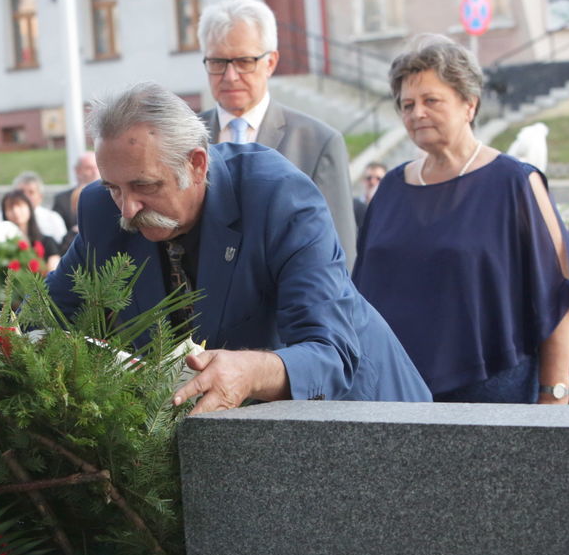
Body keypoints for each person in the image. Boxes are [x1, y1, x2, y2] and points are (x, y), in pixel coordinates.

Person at [46, 81, 430, 412]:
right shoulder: (102, 208)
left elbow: (330, 353)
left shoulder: (279, 197)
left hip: (366, 414)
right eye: (114, 187)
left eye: (146, 186)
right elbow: (45, 316)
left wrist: (249, 372)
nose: (127, 209)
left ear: (197, 164)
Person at [353, 34, 569, 404]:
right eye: (407, 104)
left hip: (491, 396)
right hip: (394, 394)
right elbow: (361, 299)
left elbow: (556, 296)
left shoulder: (514, 182)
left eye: (431, 100)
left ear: (469, 105)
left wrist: (553, 399)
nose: (417, 114)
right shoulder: (390, 190)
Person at [196, 0, 356, 267]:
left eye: (245, 61)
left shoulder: (317, 143)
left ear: (270, 62)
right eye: (217, 62)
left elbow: (339, 254)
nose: (230, 75)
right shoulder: (185, 139)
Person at [1, 188, 60, 272]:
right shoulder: (2, 245)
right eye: (10, 208)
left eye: (20, 205)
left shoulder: (48, 242)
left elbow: (54, 272)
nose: (15, 211)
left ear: (29, 208)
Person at [12, 171, 68, 243]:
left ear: (40, 197)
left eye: (31, 192)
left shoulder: (53, 219)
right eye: (21, 192)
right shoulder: (2, 217)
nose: (25, 196)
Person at [51, 152, 98, 233]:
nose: (95, 172)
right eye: (89, 168)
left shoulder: (112, 195)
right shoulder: (62, 200)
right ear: (77, 171)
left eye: (97, 167)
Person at [353, 161, 387, 229]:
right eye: (369, 178)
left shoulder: (391, 208)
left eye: (378, 179)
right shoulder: (353, 206)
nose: (373, 182)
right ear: (363, 180)